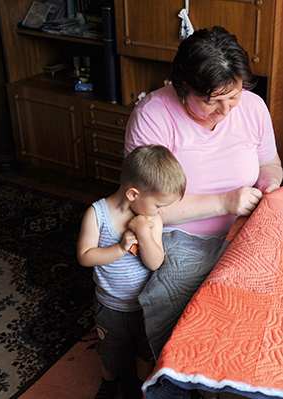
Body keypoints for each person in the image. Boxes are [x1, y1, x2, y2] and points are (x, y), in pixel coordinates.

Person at [124, 26, 283, 358]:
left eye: (233, 97)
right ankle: (172, 379)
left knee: (275, 298)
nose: (225, 112)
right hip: (181, 235)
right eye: (212, 102)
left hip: (245, 228)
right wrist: (225, 201)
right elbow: (145, 206)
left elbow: (270, 164)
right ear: (183, 90)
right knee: (180, 298)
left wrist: (268, 185)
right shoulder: (153, 116)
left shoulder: (252, 108)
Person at [77, 145, 186, 399]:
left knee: (144, 350)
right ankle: (108, 383)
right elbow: (85, 256)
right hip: (110, 304)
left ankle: (138, 386)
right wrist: (120, 248)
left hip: (143, 305)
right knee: (110, 350)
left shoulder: (151, 220)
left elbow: (155, 262)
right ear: (133, 194)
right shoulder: (97, 214)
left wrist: (144, 232)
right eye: (159, 205)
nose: (163, 211)